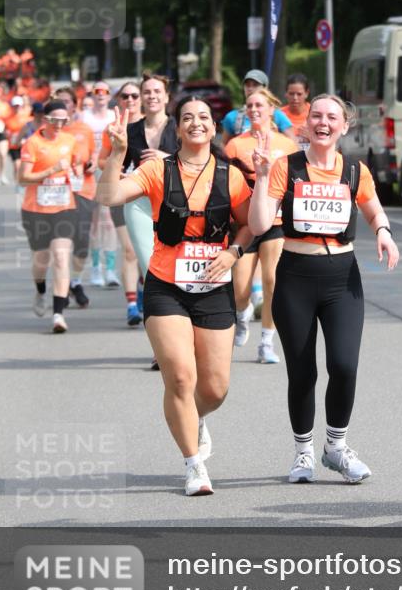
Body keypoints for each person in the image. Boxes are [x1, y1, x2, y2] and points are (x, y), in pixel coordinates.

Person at [96, 97, 253, 495]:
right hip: (166, 287)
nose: (196, 123)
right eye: (188, 118)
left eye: (204, 118)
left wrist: (233, 252)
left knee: (215, 388)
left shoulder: (230, 176)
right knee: (181, 377)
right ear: (178, 129)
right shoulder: (156, 169)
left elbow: (252, 224)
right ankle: (193, 464)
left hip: (214, 289)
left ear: (214, 128)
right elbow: (109, 197)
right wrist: (116, 154)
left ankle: (192, 418)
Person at [249, 93, 399, 483]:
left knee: (345, 365)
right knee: (302, 374)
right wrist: (262, 177)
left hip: (341, 277)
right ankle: (303, 454)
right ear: (306, 123)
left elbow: (373, 207)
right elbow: (262, 223)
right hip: (296, 275)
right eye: (316, 115)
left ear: (344, 126)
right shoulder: (287, 167)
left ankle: (336, 447)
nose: (323, 122)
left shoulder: (354, 170)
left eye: (332, 117)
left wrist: (383, 231)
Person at [225, 87, 296, 363]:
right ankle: (241, 316)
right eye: (250, 106)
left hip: (276, 220)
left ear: (271, 110)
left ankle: (267, 342)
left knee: (272, 280)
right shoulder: (235, 145)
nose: (254, 110)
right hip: (245, 223)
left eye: (259, 105)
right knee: (240, 288)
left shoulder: (286, 145)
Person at [19, 99, 83, 333]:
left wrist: (76, 169)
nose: (59, 124)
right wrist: (50, 171)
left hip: (64, 207)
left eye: (64, 120)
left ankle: (58, 315)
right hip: (35, 210)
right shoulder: (33, 143)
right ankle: (40, 290)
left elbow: (75, 163)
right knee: (41, 260)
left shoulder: (70, 140)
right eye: (55, 120)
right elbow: (23, 178)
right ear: (45, 120)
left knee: (61, 256)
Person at [98, 81, 145, 325]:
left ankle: (144, 291)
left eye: (134, 95)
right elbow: (100, 161)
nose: (130, 99)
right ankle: (131, 305)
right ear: (119, 99)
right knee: (129, 250)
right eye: (124, 96)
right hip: (122, 192)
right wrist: (119, 168)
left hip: (149, 196)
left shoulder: (152, 126)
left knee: (148, 252)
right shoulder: (114, 127)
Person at [55, 87, 98, 309]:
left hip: (83, 190)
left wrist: (91, 163)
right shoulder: (48, 132)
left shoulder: (84, 130)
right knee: (61, 243)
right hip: (57, 193)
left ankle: (76, 280)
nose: (64, 106)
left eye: (67, 102)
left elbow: (93, 156)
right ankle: (60, 292)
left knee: (82, 241)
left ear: (74, 105)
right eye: (59, 102)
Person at [82, 81, 119, 287]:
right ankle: (96, 268)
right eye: (97, 91)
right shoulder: (84, 116)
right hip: (90, 172)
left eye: (105, 91)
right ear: (93, 94)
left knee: (108, 220)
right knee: (96, 221)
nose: (101, 94)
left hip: (108, 169)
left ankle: (111, 269)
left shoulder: (115, 117)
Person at [221, 69, 293, 145]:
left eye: (255, 85)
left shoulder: (277, 115)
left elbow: (293, 144)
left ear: (265, 88)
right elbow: (224, 145)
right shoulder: (232, 117)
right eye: (247, 85)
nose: (250, 88)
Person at [280, 73, 311, 147]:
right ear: (286, 93)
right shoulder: (279, 115)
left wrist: (313, 137)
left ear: (306, 93)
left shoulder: (316, 113)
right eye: (291, 94)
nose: (295, 98)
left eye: (299, 94)